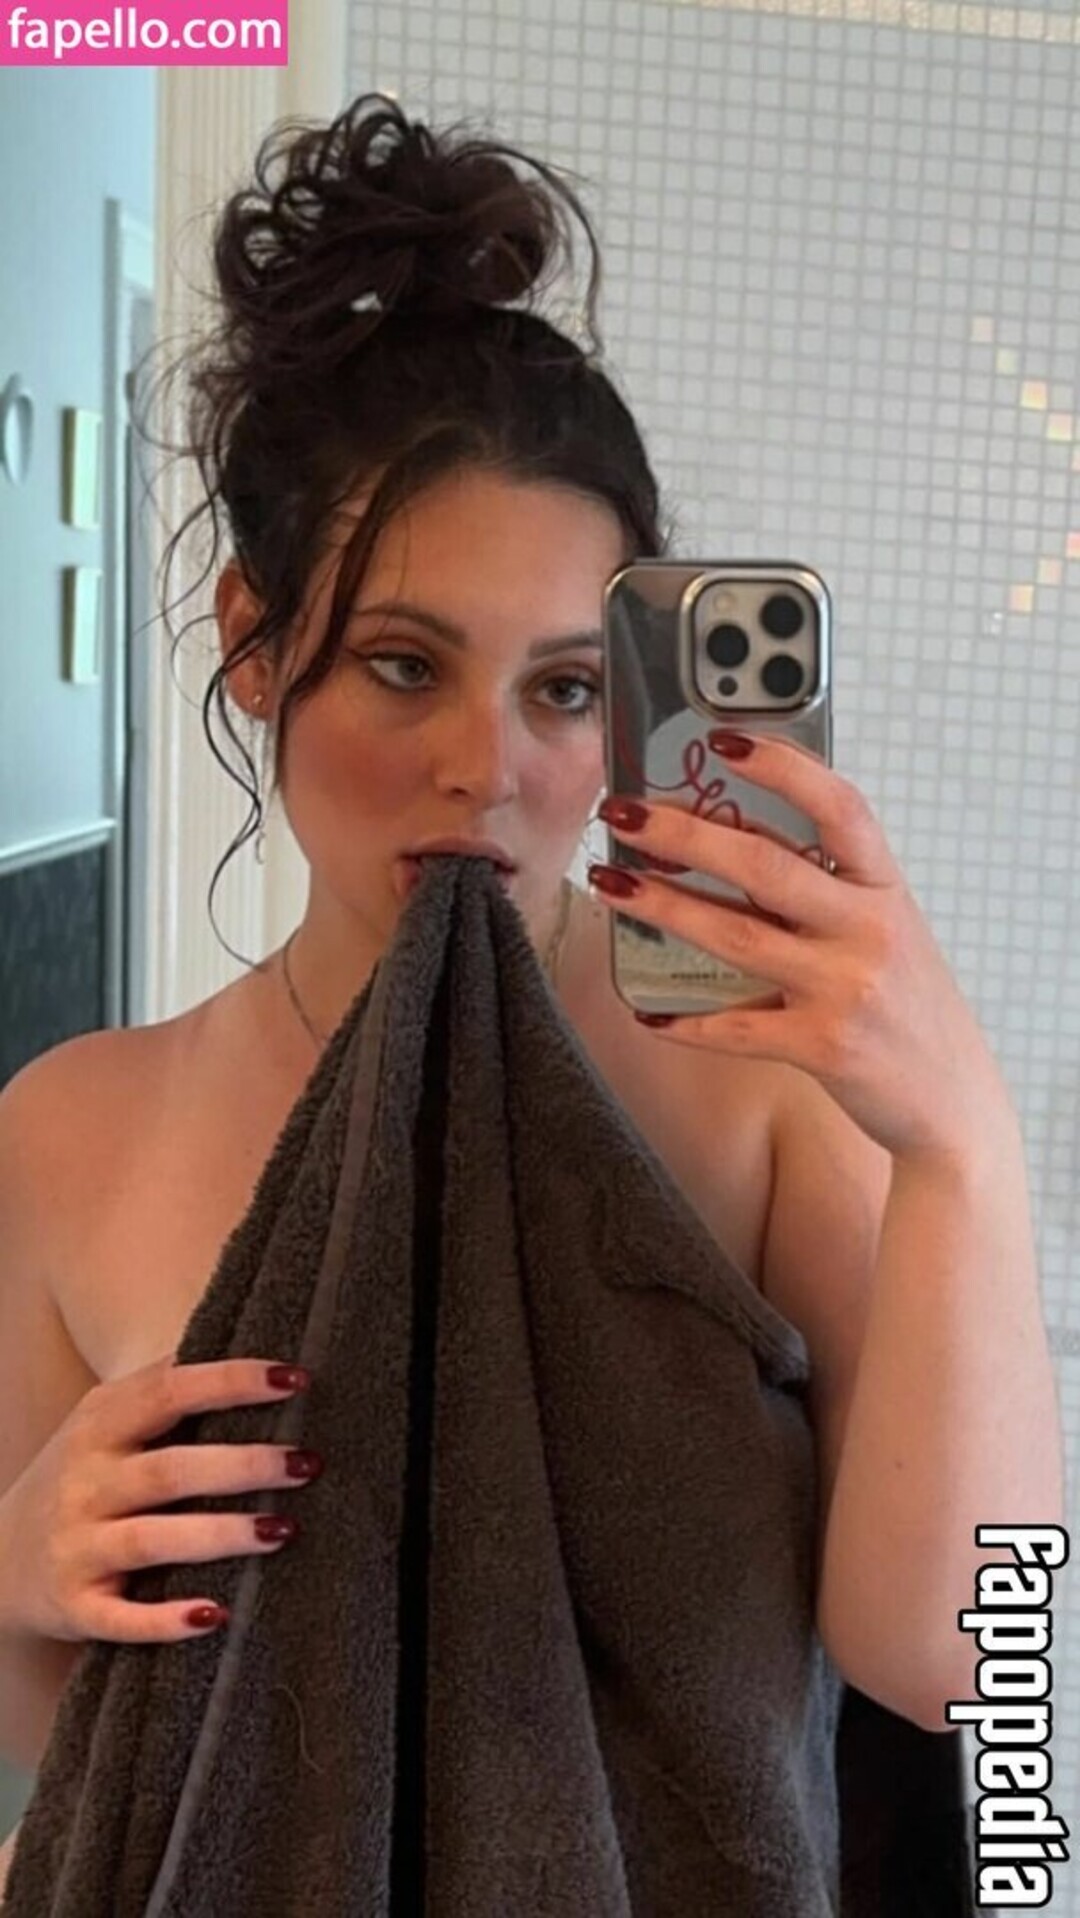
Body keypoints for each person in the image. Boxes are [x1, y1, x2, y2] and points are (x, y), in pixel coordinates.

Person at [0, 93, 1062, 1894]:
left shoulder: (762, 1091)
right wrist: (21, 1568)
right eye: (403, 664)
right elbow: (86, 1752)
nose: (486, 767)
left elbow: (982, 1668)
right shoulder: (72, 1129)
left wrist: (966, 1144)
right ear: (255, 641)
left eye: (564, 689)